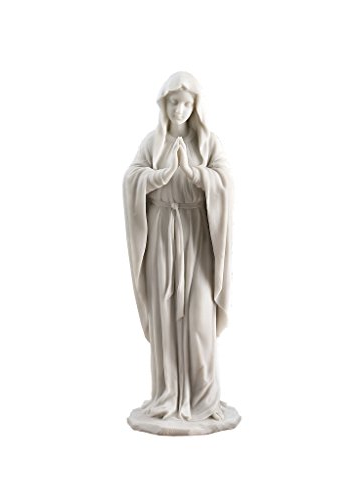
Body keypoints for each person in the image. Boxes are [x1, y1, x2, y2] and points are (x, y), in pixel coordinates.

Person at [123, 72, 232, 422]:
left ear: (196, 106)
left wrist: (196, 173)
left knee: (200, 319)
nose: (180, 109)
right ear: (164, 104)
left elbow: (225, 181)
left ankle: (203, 399)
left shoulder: (208, 142)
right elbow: (131, 178)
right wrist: (157, 177)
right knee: (166, 317)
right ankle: (167, 394)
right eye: (174, 102)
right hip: (162, 234)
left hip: (196, 233)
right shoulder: (152, 143)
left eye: (186, 103)